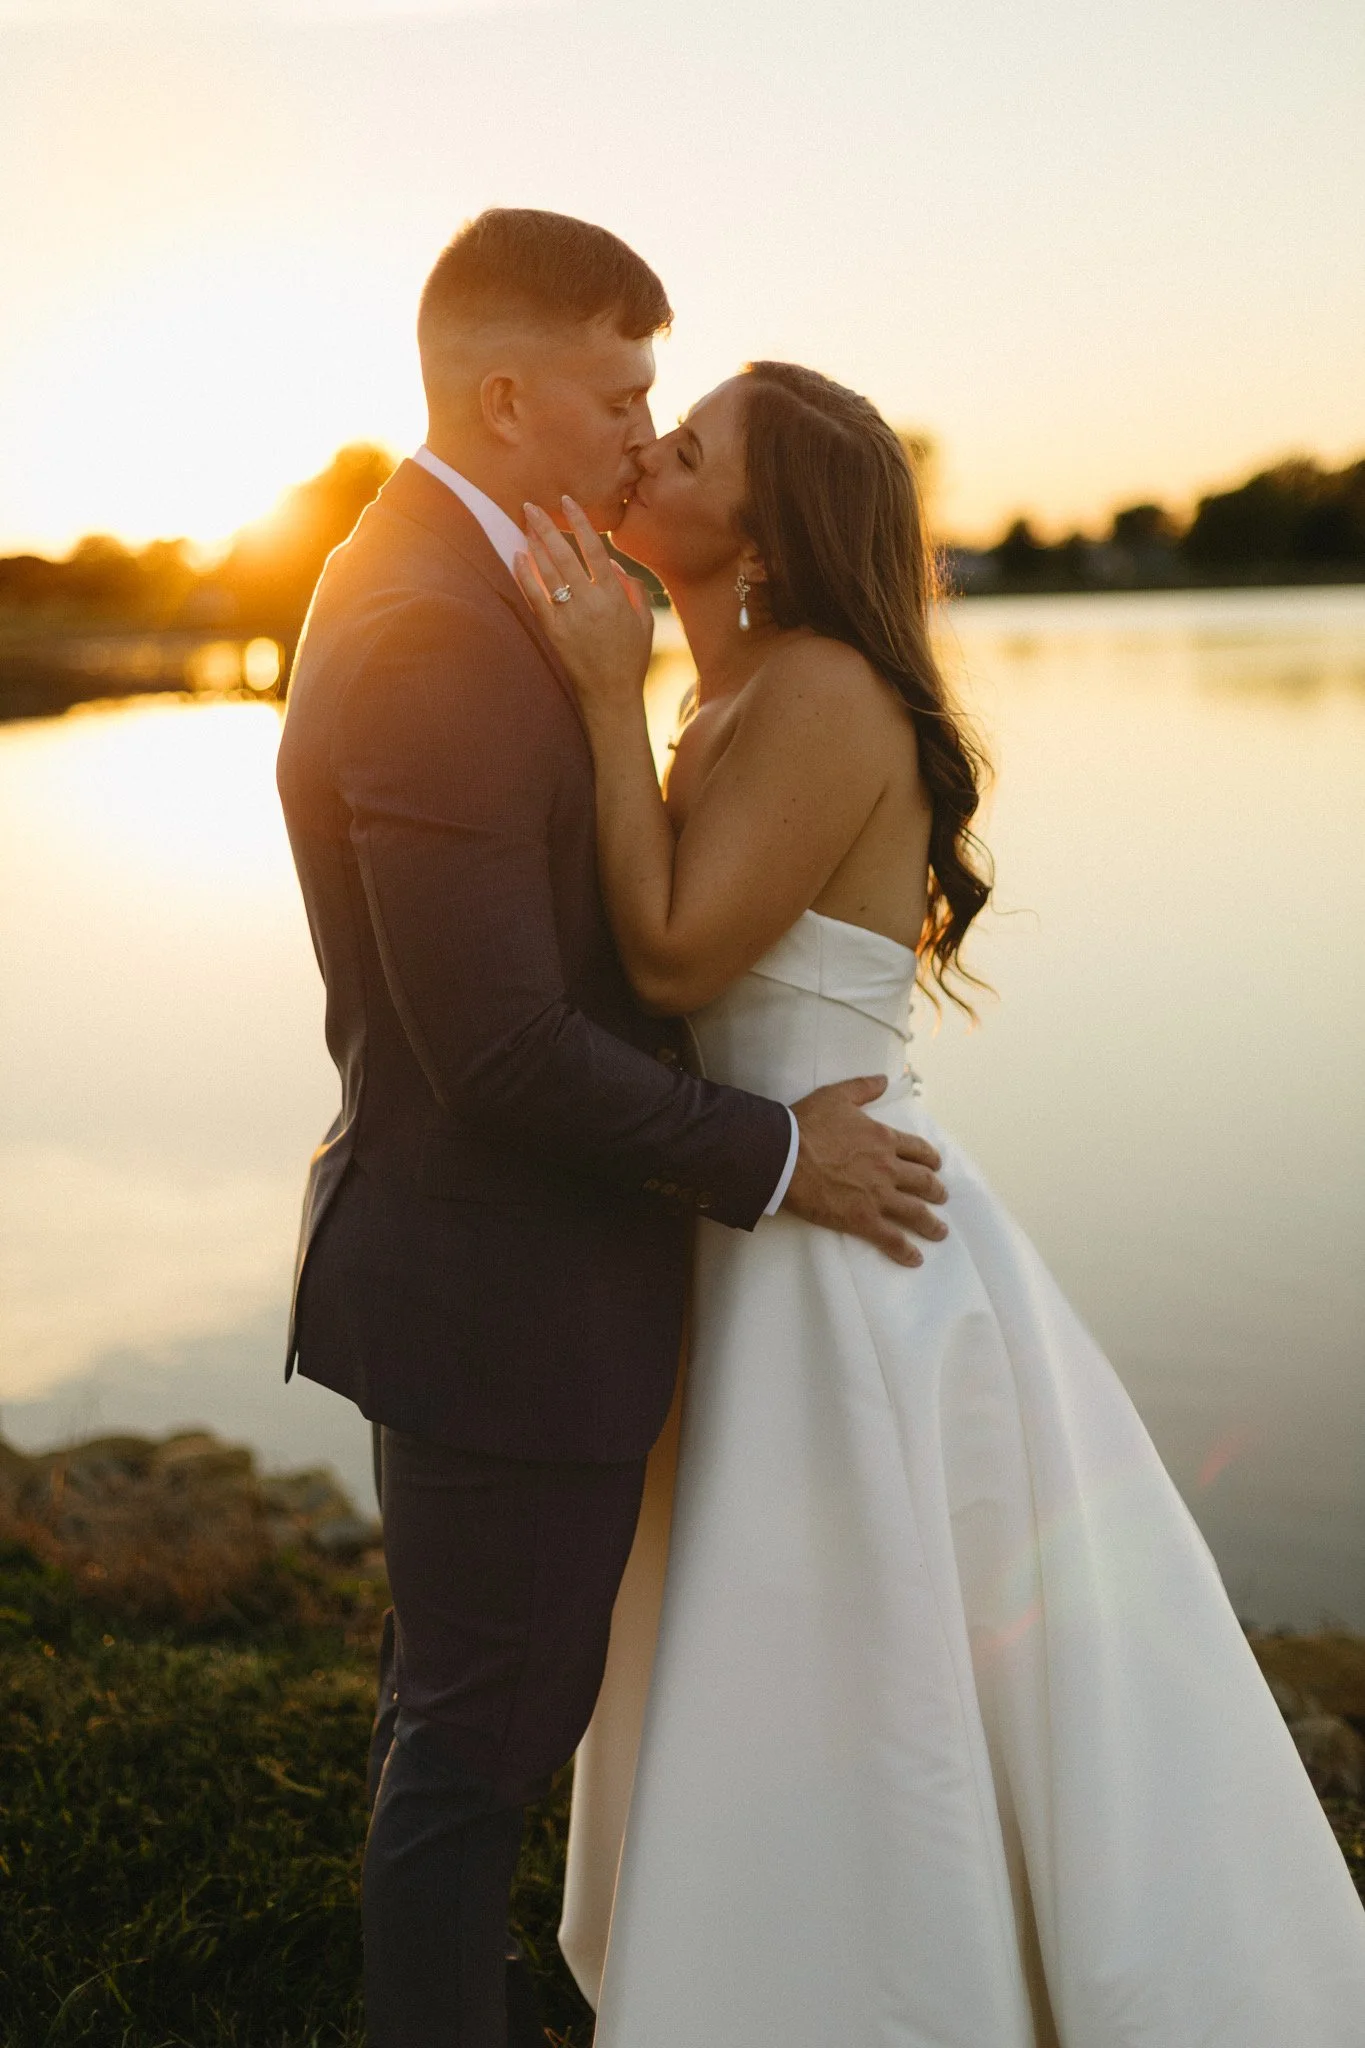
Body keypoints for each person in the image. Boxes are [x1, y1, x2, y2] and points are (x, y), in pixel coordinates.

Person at [515, 361, 1365, 2045]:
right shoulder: (732, 694)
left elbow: (678, 951)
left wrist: (604, 704)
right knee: (761, 1654)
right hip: (757, 1214)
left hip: (845, 1257)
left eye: (688, 448)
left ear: (760, 525)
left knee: (851, 1644)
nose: (650, 451)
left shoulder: (822, 691)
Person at [275, 215, 950, 2047]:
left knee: (475, 1715)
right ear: (509, 398)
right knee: (472, 1748)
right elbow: (500, 1049)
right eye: (626, 391)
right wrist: (783, 1156)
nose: (645, 430)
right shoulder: (436, 627)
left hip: (532, 1275)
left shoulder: (491, 590)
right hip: (504, 1290)